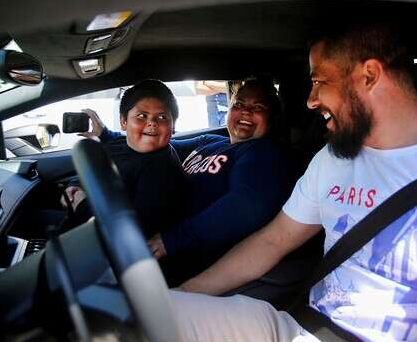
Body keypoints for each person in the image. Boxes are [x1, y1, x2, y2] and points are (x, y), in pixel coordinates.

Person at [170, 22, 417, 342]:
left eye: (318, 82)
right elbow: (273, 240)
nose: (311, 101)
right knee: (147, 314)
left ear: (369, 75)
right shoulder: (334, 156)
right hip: (301, 331)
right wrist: (185, 293)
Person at [91, 78, 293, 285]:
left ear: (273, 117)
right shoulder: (211, 142)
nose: (245, 112)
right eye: (239, 104)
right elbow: (155, 140)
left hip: (188, 258)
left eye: (258, 107)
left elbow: (246, 206)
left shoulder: (264, 154)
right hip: (150, 233)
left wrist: (172, 240)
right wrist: (105, 134)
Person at [60, 79, 185, 238]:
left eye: (162, 117)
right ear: (123, 122)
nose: (152, 123)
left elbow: (134, 231)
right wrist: (75, 187)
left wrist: (83, 205)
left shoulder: (162, 169)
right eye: (142, 116)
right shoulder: (119, 144)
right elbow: (96, 171)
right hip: (81, 228)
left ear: (173, 126)